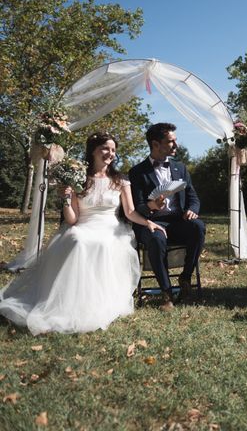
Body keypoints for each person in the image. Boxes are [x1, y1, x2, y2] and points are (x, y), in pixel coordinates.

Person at [0, 132, 165, 335]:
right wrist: (67, 199)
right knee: (76, 238)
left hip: (110, 227)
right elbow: (72, 220)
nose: (110, 153)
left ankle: (95, 300)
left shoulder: (121, 180)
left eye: (113, 150)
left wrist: (148, 222)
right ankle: (66, 298)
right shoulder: (78, 178)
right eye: (106, 148)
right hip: (84, 224)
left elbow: (130, 213)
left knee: (103, 243)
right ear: (93, 151)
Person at [129, 123, 205, 310]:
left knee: (198, 226)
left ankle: (185, 279)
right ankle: (166, 292)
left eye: (175, 141)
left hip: (178, 221)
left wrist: (192, 210)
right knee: (156, 239)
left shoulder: (180, 168)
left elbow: (193, 197)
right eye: (170, 142)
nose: (175, 145)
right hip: (151, 223)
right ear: (155, 144)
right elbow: (136, 207)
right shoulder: (137, 172)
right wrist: (152, 206)